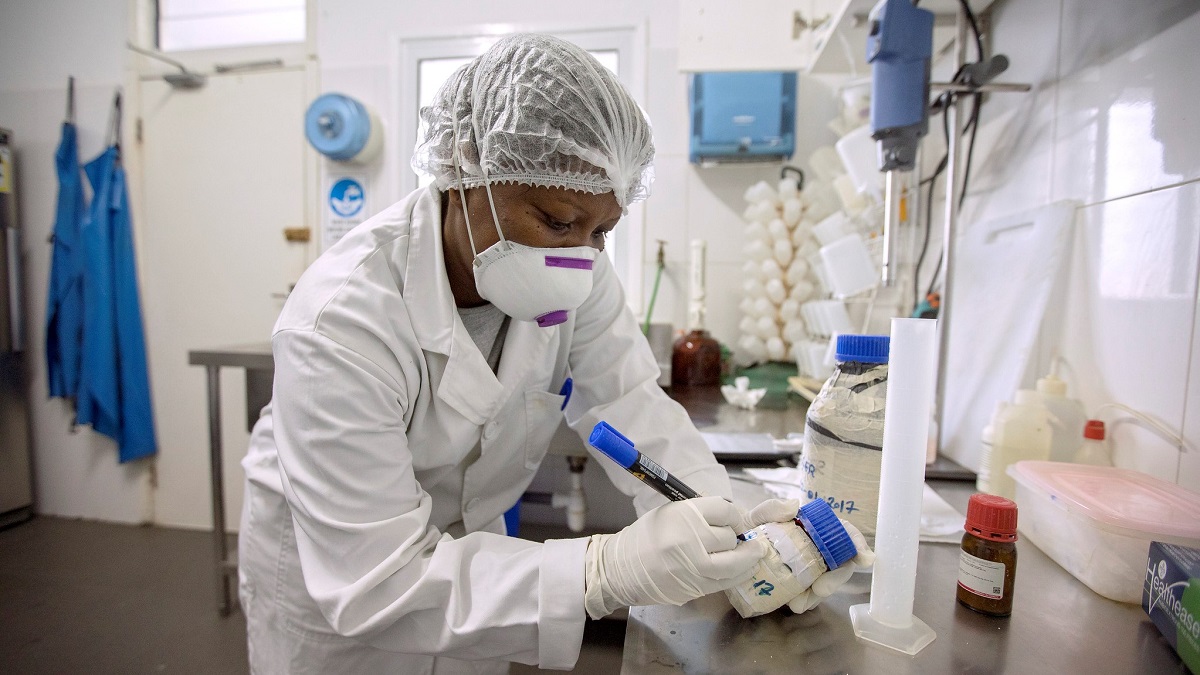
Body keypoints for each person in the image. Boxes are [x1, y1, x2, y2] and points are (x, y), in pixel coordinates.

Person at [238, 33, 870, 674]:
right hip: (345, 593)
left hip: (479, 575)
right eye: (558, 220)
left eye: (602, 231)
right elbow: (378, 580)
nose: (579, 257)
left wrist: (725, 522)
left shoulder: (581, 270)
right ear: (466, 168)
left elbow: (628, 400)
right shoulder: (341, 324)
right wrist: (605, 569)